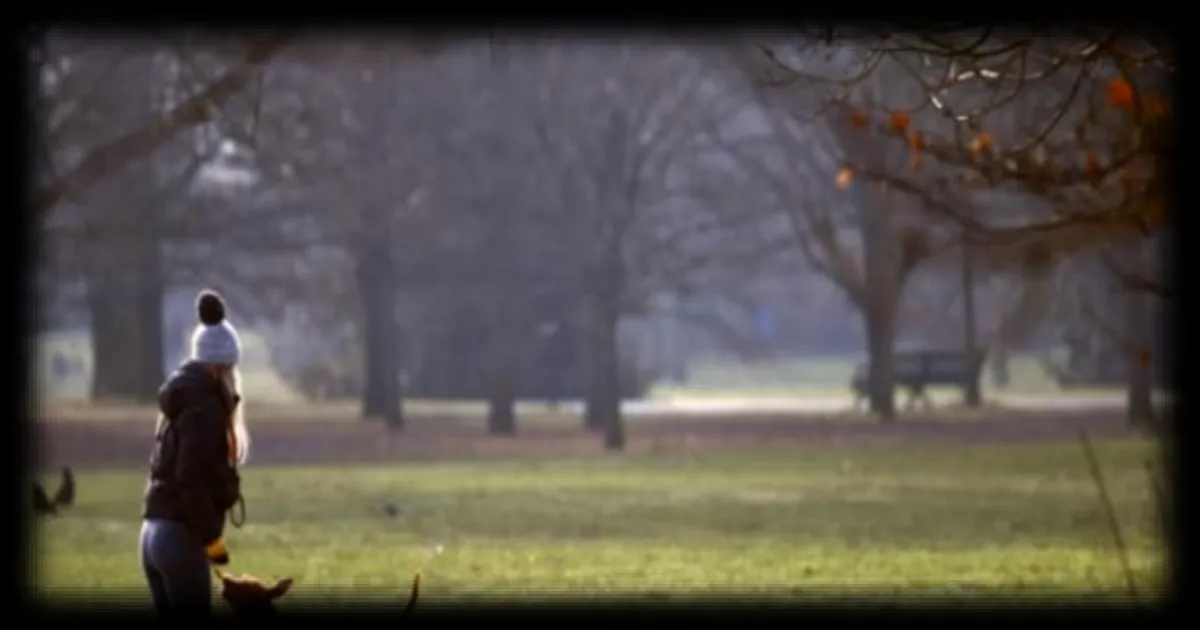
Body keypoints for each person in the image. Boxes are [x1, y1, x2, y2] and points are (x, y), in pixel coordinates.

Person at [140, 289, 251, 615]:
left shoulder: (182, 398)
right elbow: (191, 478)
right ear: (218, 369)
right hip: (179, 539)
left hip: (151, 533)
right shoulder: (205, 408)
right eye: (231, 369)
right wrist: (211, 537)